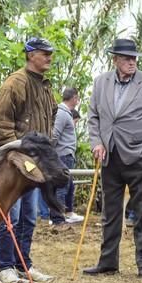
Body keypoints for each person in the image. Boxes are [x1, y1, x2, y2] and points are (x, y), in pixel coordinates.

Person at [83, 38, 142, 278]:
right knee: (110, 213)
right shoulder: (100, 82)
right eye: (127, 58)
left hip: (138, 157)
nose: (132, 62)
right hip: (109, 157)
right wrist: (96, 143)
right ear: (115, 59)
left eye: (134, 58)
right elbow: (94, 118)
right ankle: (108, 262)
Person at [0, 37, 58, 283]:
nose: (49, 57)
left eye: (50, 53)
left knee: (29, 216)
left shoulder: (45, 85)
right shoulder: (14, 83)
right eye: (44, 53)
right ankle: (5, 267)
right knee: (11, 216)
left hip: (35, 163)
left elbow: (49, 121)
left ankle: (23, 265)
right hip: (13, 163)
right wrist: (18, 150)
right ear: (30, 55)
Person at [49, 87, 83, 230]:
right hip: (62, 155)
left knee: (67, 185)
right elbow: (55, 134)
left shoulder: (65, 113)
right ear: (74, 98)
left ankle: (63, 215)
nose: (78, 101)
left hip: (65, 154)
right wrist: (50, 152)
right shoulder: (62, 114)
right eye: (78, 98)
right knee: (61, 186)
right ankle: (57, 218)